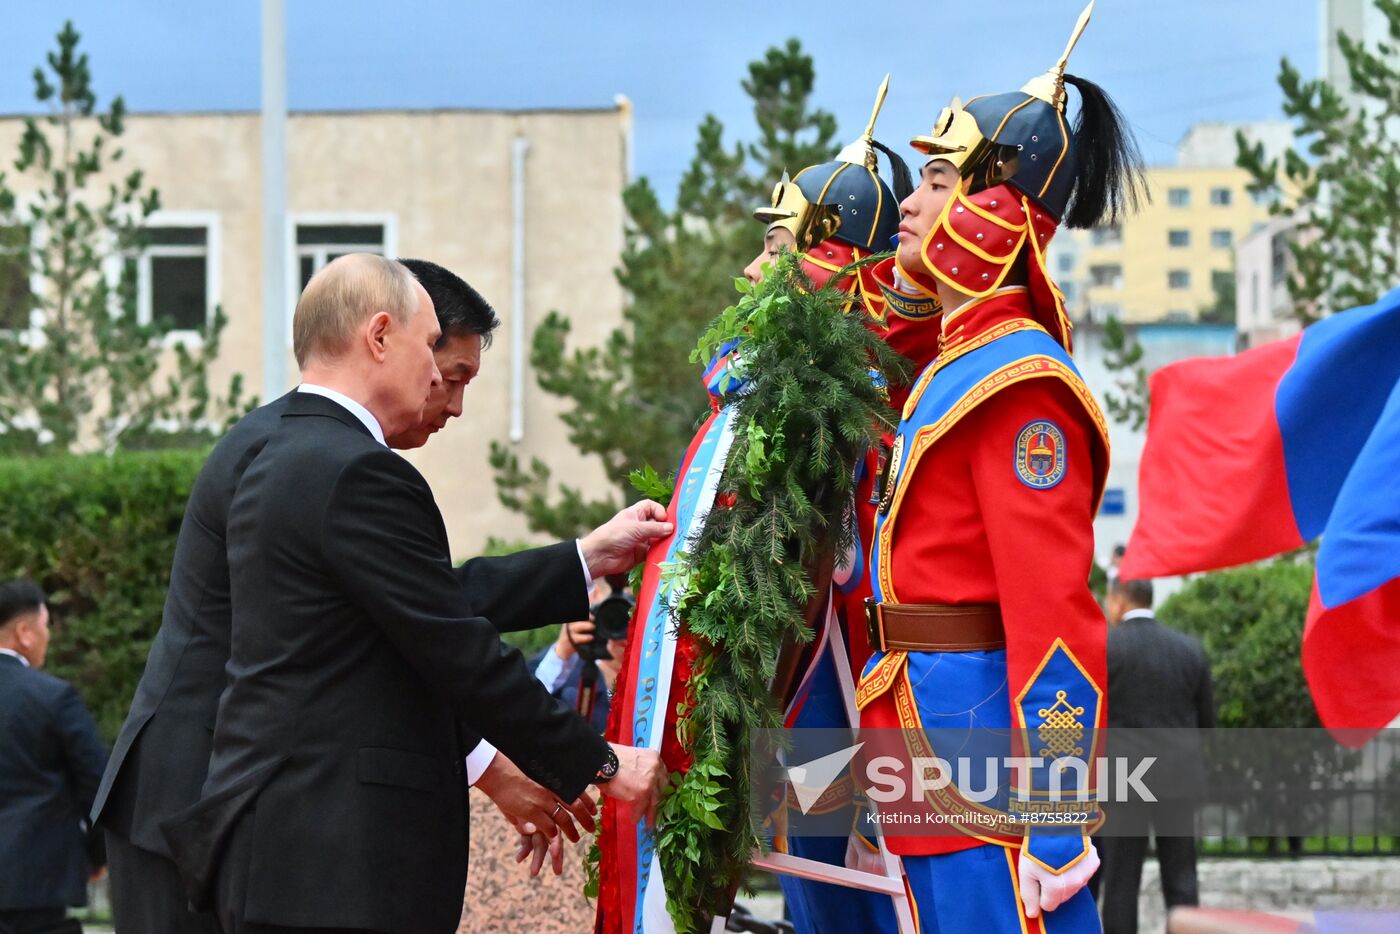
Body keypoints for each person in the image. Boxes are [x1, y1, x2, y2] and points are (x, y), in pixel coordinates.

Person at [96, 256, 670, 934]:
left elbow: (410, 613)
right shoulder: (338, 465)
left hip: (250, 816)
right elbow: (432, 631)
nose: (445, 395)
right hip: (208, 802)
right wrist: (592, 761)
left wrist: (582, 560)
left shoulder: (297, 447)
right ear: (380, 335)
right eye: (438, 360)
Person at [854, 3, 1146, 931]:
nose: (908, 201)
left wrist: (1058, 825)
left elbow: (1054, 621)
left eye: (935, 179)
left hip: (984, 766)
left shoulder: (1020, 386)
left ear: (990, 208)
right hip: (921, 735)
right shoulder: (955, 364)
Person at [1096, 577, 1213, 934]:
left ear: (1117, 601)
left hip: (1124, 781)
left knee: (1119, 884)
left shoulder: (1106, 648)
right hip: (1178, 779)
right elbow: (1207, 723)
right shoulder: (1189, 649)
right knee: (1181, 877)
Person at [0, 579, 108, 934]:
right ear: (24, 632)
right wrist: (97, 854)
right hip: (35, 888)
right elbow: (98, 784)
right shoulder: (52, 698)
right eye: (46, 627)